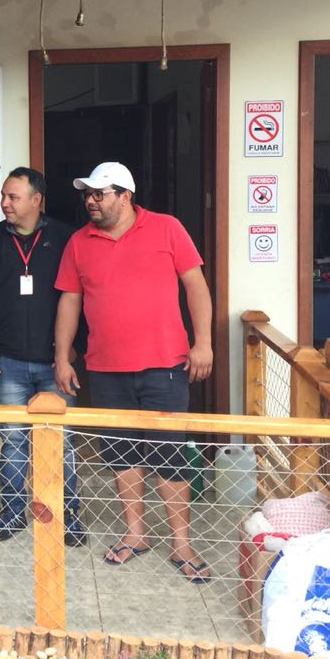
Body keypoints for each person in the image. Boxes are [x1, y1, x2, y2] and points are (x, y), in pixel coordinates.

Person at [53, 161, 215, 583]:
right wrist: (62, 357)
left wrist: (203, 343)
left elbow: (195, 285)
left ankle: (181, 543)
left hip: (165, 365)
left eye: (99, 193)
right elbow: (70, 300)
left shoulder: (166, 228)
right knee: (121, 453)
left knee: (169, 454)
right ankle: (135, 533)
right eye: (87, 194)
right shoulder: (79, 242)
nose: (90, 201)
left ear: (125, 196)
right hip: (105, 368)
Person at [0, 167, 86, 545]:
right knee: (14, 441)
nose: (4, 203)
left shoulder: (65, 238)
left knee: (60, 442)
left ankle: (67, 515)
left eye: (13, 197)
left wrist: (75, 349)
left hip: (55, 363)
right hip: (8, 362)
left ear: (36, 200)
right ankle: (13, 511)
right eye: (4, 195)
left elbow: (82, 296)